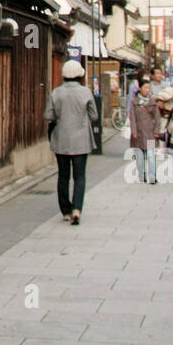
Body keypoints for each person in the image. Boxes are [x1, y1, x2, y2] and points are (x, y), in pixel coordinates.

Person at [44, 59, 99, 225]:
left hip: (62, 139)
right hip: (81, 139)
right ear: (79, 75)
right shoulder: (85, 92)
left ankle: (66, 210)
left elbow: (48, 115)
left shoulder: (56, 92)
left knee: (63, 176)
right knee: (79, 176)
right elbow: (94, 115)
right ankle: (77, 208)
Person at [129, 74, 161, 183]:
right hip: (138, 133)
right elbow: (132, 118)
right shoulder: (134, 102)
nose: (147, 90)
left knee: (151, 155)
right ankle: (141, 175)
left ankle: (152, 176)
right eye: (145, 88)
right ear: (140, 88)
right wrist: (133, 131)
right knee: (140, 156)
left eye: (148, 88)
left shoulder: (153, 102)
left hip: (150, 133)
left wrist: (157, 131)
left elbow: (157, 118)